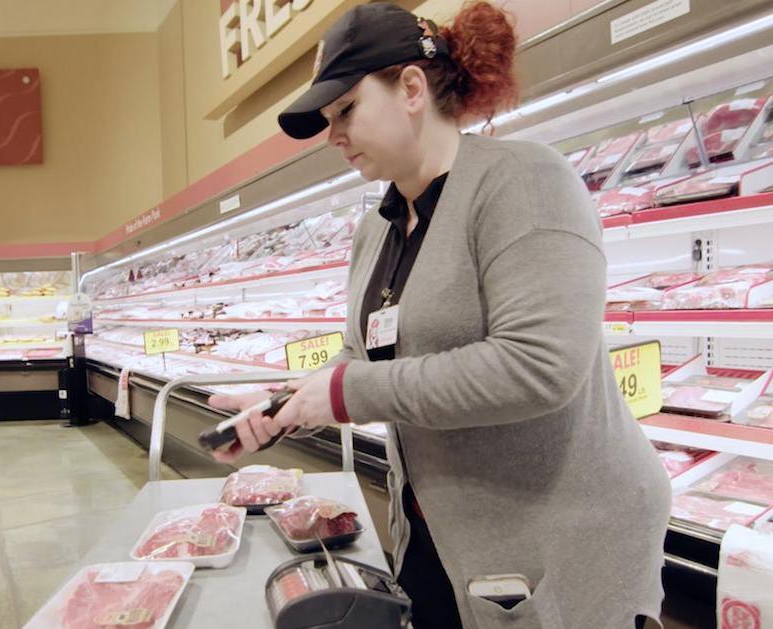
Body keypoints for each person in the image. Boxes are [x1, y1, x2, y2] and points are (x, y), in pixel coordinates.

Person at [208, 3, 671, 628]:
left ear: (410, 88)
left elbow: (539, 367)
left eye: (346, 110)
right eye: (327, 120)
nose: (333, 135)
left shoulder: (524, 181)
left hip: (556, 537)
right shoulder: (380, 229)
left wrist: (344, 393)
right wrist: (281, 401)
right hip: (438, 528)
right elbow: (365, 358)